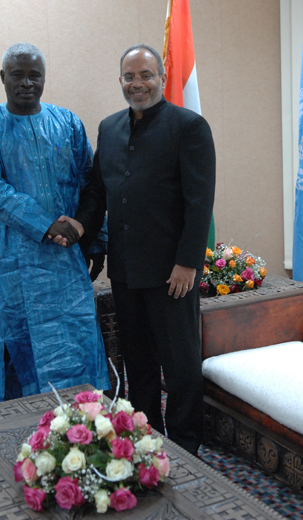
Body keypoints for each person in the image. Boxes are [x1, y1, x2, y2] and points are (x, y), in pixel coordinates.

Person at [56, 44, 215, 454]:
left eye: (145, 75)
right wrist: (81, 225)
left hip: (171, 275)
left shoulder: (189, 127)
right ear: (121, 81)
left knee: (180, 369)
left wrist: (187, 263)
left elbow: (200, 203)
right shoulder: (109, 128)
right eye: (129, 76)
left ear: (162, 78)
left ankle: (185, 447)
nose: (137, 84)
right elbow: (97, 191)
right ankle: (146, 441)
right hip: (126, 272)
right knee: (138, 366)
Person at [0, 43, 110, 403]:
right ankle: (25, 443)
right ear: (3, 78)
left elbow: (90, 184)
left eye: (35, 75)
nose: (27, 83)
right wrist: (48, 226)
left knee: (79, 348)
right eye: (18, 74)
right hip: (14, 267)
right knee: (21, 358)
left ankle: (86, 435)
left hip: (66, 264)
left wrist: (95, 241)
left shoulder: (68, 123)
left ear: (45, 78)